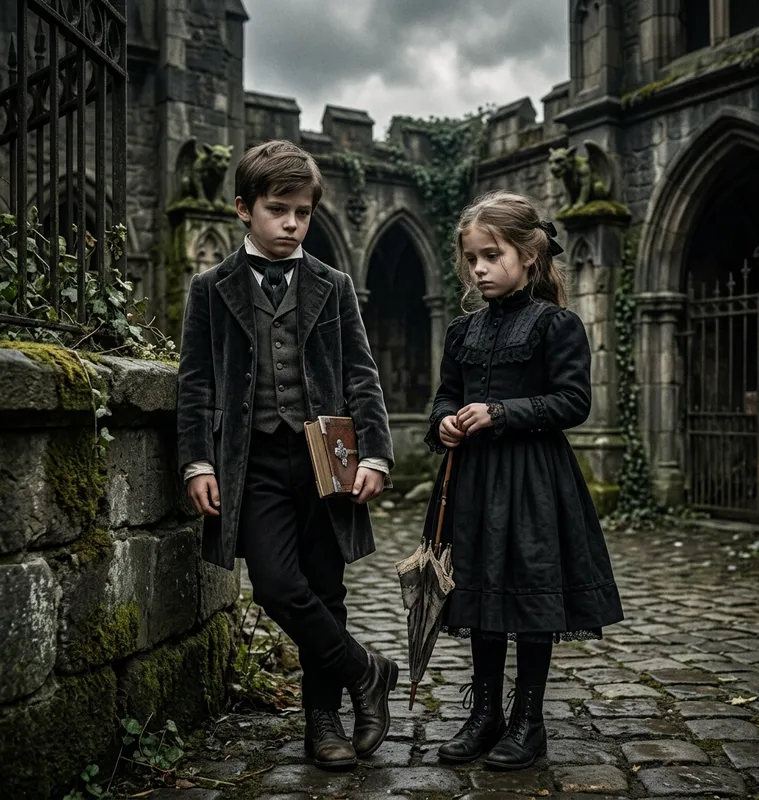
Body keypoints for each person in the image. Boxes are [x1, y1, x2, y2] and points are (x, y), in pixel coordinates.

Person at [177, 140, 399, 770]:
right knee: (276, 585)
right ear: (243, 208)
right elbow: (195, 381)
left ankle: (322, 722)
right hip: (252, 462)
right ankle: (366, 668)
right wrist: (197, 461)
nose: (294, 224)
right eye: (280, 210)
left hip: (327, 458)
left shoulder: (333, 285)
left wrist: (376, 456)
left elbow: (362, 376)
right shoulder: (209, 288)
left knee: (326, 587)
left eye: (303, 212)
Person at [423, 190, 624, 771]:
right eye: (472, 259)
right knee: (480, 593)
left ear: (528, 255)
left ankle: (527, 721)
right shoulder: (462, 334)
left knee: (532, 597)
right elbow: (444, 397)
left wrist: (502, 413)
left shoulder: (556, 325)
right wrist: (444, 424)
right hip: (472, 480)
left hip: (534, 480)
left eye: (492, 255)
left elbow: (573, 401)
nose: (480, 268)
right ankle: (483, 715)